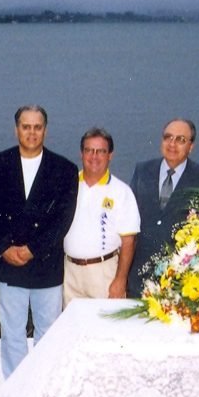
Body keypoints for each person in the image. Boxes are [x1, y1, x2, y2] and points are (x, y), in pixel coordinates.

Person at [0, 105, 77, 377]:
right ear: (17, 130)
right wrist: (4, 248)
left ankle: (43, 392)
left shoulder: (64, 169)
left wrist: (33, 249)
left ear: (45, 131)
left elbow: (63, 219)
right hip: (9, 265)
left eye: (37, 127)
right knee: (12, 334)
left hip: (45, 266)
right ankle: (15, 392)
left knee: (47, 333)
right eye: (26, 126)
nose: (32, 132)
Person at [129, 118, 199, 297]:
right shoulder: (142, 171)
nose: (172, 144)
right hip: (137, 277)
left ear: (191, 146)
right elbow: (129, 221)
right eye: (168, 137)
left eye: (180, 140)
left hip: (179, 281)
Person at [62, 127, 140, 303]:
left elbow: (129, 242)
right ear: (81, 153)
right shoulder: (68, 185)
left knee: (106, 328)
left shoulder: (121, 191)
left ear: (110, 155)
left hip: (104, 273)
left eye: (101, 151)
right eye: (89, 150)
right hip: (70, 272)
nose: (94, 156)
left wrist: (120, 280)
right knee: (74, 329)